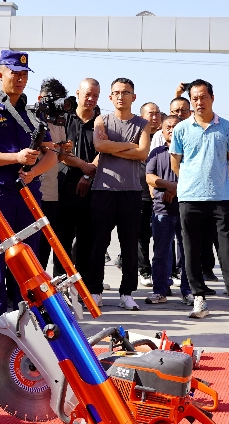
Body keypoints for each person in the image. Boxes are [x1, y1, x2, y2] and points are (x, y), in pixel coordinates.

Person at [0, 51, 58, 328]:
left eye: (23, 75)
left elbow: (52, 154)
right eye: (13, 73)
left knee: (30, 262)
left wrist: (32, 172)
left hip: (29, 195)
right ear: (1, 74)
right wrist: (16, 158)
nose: (19, 79)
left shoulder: (34, 114)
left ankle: (29, 321)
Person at [170, 79, 229, 321]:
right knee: (191, 250)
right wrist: (191, 184)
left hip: (220, 199)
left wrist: (218, 182)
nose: (199, 102)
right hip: (189, 199)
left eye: (203, 97)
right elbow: (177, 164)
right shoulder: (181, 129)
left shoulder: (227, 128)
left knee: (227, 251)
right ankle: (199, 299)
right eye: (194, 98)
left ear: (212, 98)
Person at [88, 78, 151, 311]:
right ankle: (95, 291)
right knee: (98, 243)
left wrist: (114, 147)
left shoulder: (143, 124)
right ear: (110, 97)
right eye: (116, 92)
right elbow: (99, 147)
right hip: (103, 190)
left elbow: (143, 153)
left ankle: (127, 293)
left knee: (129, 244)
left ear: (134, 97)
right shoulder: (102, 120)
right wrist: (130, 147)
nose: (120, 96)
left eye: (126, 92)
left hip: (131, 192)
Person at [55, 78, 100, 302]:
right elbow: (60, 153)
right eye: (87, 94)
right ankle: (60, 291)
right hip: (63, 189)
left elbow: (104, 152)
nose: (90, 99)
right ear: (78, 94)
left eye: (95, 96)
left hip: (92, 192)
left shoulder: (102, 123)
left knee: (86, 245)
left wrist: (86, 175)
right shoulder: (65, 120)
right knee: (61, 243)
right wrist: (83, 166)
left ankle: (82, 292)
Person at [145, 115, 191, 304]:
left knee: (187, 252)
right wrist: (168, 186)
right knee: (161, 253)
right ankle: (160, 291)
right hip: (161, 210)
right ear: (162, 131)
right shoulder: (156, 152)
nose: (171, 129)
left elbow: (195, 175)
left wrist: (174, 190)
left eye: (175, 126)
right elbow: (149, 176)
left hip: (185, 208)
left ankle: (189, 292)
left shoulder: (190, 150)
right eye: (168, 127)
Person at [35, 78, 72, 278]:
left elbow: (58, 159)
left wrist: (65, 151)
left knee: (45, 246)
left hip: (52, 192)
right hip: (32, 189)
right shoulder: (31, 117)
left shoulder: (60, 121)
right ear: (41, 98)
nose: (58, 105)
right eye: (54, 100)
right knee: (30, 243)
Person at [136, 102, 162, 288]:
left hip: (163, 189)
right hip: (141, 191)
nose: (154, 117)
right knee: (142, 233)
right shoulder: (136, 134)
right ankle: (144, 269)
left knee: (162, 233)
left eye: (157, 114)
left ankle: (169, 270)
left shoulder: (166, 134)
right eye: (150, 114)